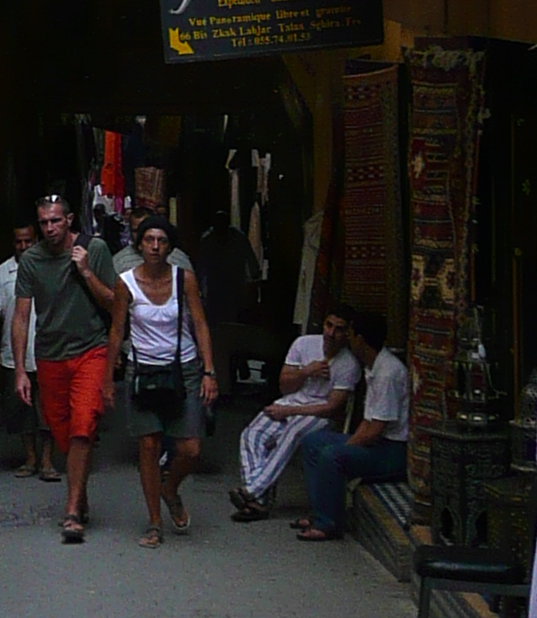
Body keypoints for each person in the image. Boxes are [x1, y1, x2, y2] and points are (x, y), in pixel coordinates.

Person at [11, 192, 122, 543]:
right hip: (50, 356)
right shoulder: (31, 260)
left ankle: (72, 510)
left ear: (69, 220)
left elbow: (114, 302)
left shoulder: (96, 250)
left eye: (56, 220)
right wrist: (19, 370)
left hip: (90, 349)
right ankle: (80, 491)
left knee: (82, 427)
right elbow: (21, 315)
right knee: (61, 434)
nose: (49, 228)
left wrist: (86, 271)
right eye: (44, 222)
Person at [110, 213, 218, 545]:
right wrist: (106, 379)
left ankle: (169, 488)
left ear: (170, 247)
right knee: (148, 444)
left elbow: (200, 323)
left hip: (182, 369)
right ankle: (154, 522)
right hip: (142, 371)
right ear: (139, 245)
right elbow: (116, 331)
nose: (155, 247)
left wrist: (209, 371)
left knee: (190, 447)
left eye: (162, 241)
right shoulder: (125, 282)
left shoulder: (183, 279)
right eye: (149, 240)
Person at [230, 305, 361, 522]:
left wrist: (289, 411)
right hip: (290, 402)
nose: (331, 333)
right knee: (251, 435)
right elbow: (284, 386)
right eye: (329, 325)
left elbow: (332, 407)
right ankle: (259, 501)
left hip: (318, 414)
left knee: (291, 434)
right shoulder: (304, 344)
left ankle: (252, 491)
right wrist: (306, 372)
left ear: (347, 332)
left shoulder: (349, 364)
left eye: (339, 329)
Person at [295, 308, 411, 541]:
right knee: (312, 442)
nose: (346, 338)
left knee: (332, 456)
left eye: (350, 333)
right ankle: (320, 511)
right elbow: (368, 422)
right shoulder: (373, 367)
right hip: (377, 442)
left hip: (392, 450)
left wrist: (349, 445)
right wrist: (351, 442)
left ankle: (328, 524)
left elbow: (375, 430)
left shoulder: (388, 373)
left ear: (360, 339)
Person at [0, 217, 56, 478]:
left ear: (36, 240)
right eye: (19, 241)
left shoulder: (49, 268)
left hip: (48, 351)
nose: (23, 246)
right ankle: (30, 459)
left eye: (28, 240)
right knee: (20, 411)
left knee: (49, 410)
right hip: (15, 355)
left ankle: (47, 461)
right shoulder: (1, 274)